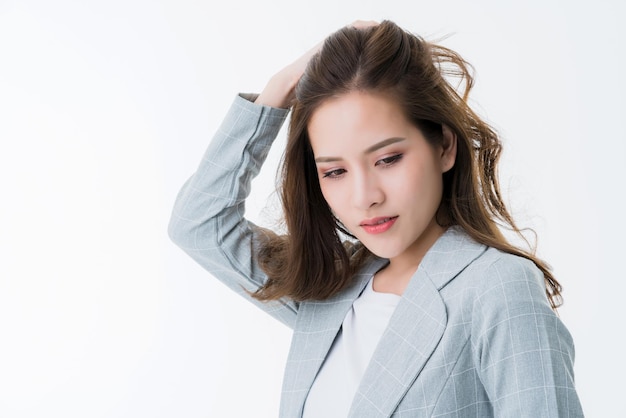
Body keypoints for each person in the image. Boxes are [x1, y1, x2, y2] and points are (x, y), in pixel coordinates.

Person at [168, 20, 584, 417]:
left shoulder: (495, 286)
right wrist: (281, 87)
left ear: (444, 147)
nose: (365, 197)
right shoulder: (332, 283)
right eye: (335, 171)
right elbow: (199, 224)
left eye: (388, 159)